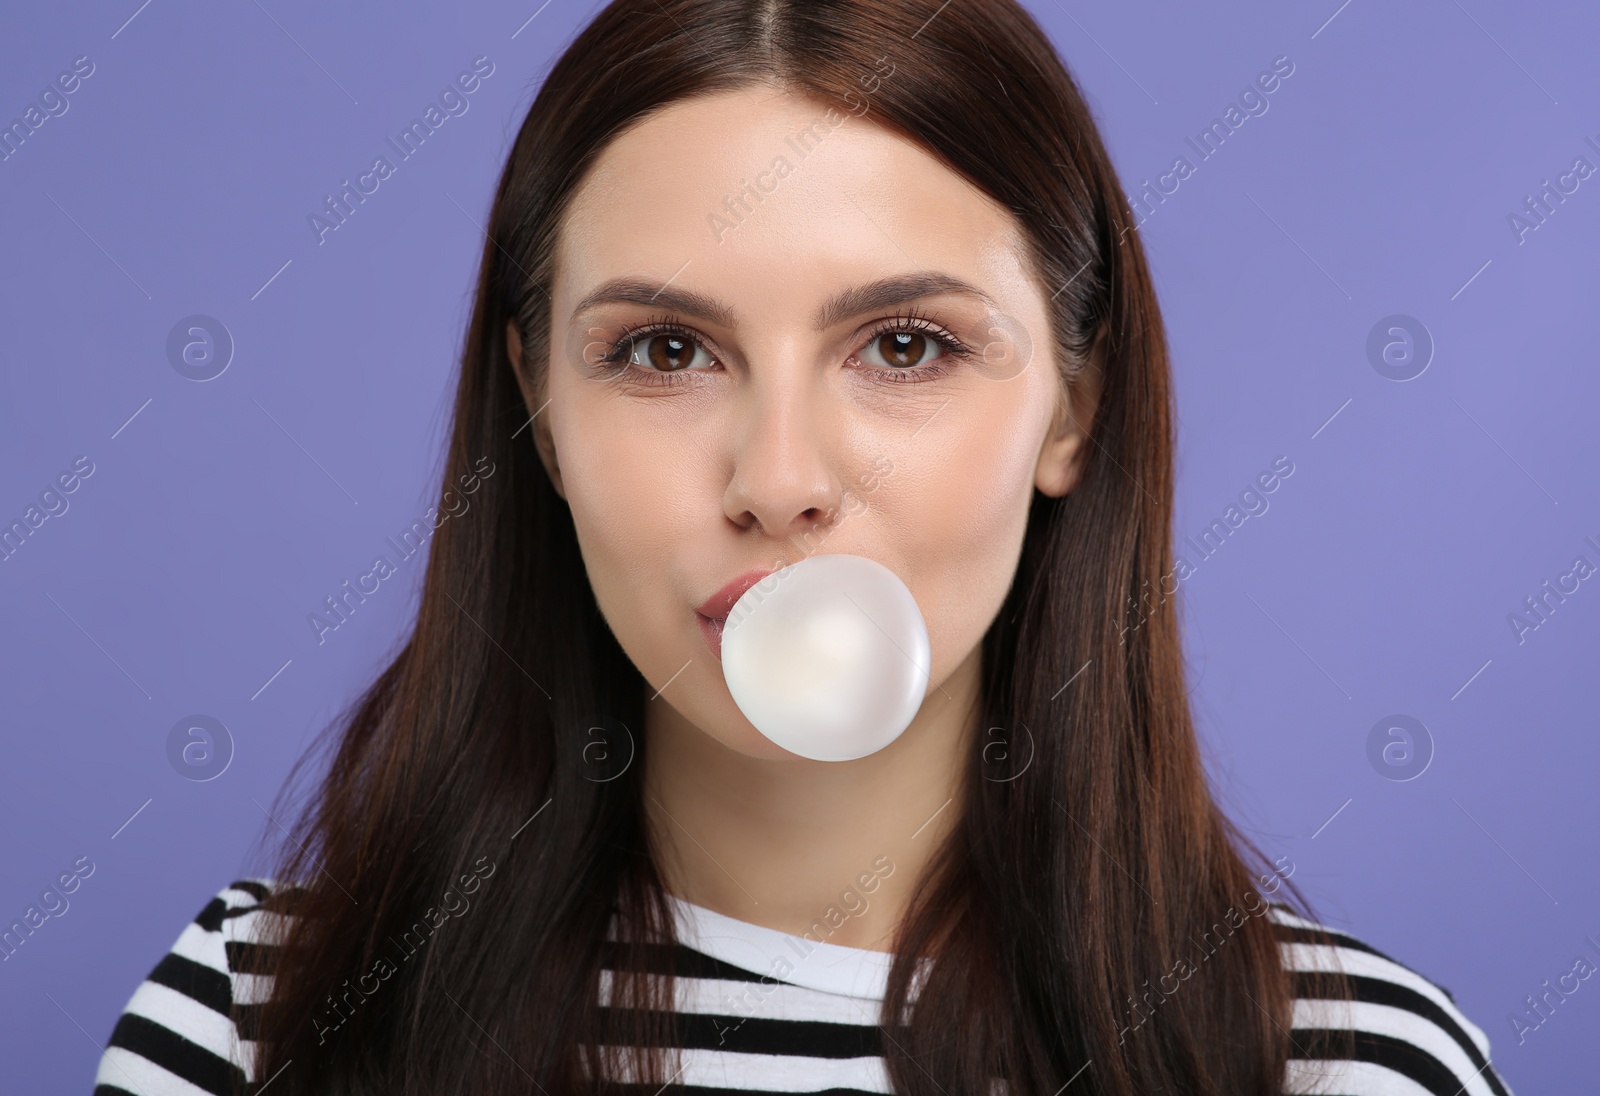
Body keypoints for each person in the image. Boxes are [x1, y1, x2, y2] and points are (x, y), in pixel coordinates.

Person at [94, 1, 1514, 1093]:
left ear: (1072, 408)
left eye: (906, 345)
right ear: (538, 406)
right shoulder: (258, 1022)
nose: (779, 481)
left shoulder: (1340, 1067)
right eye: (665, 349)